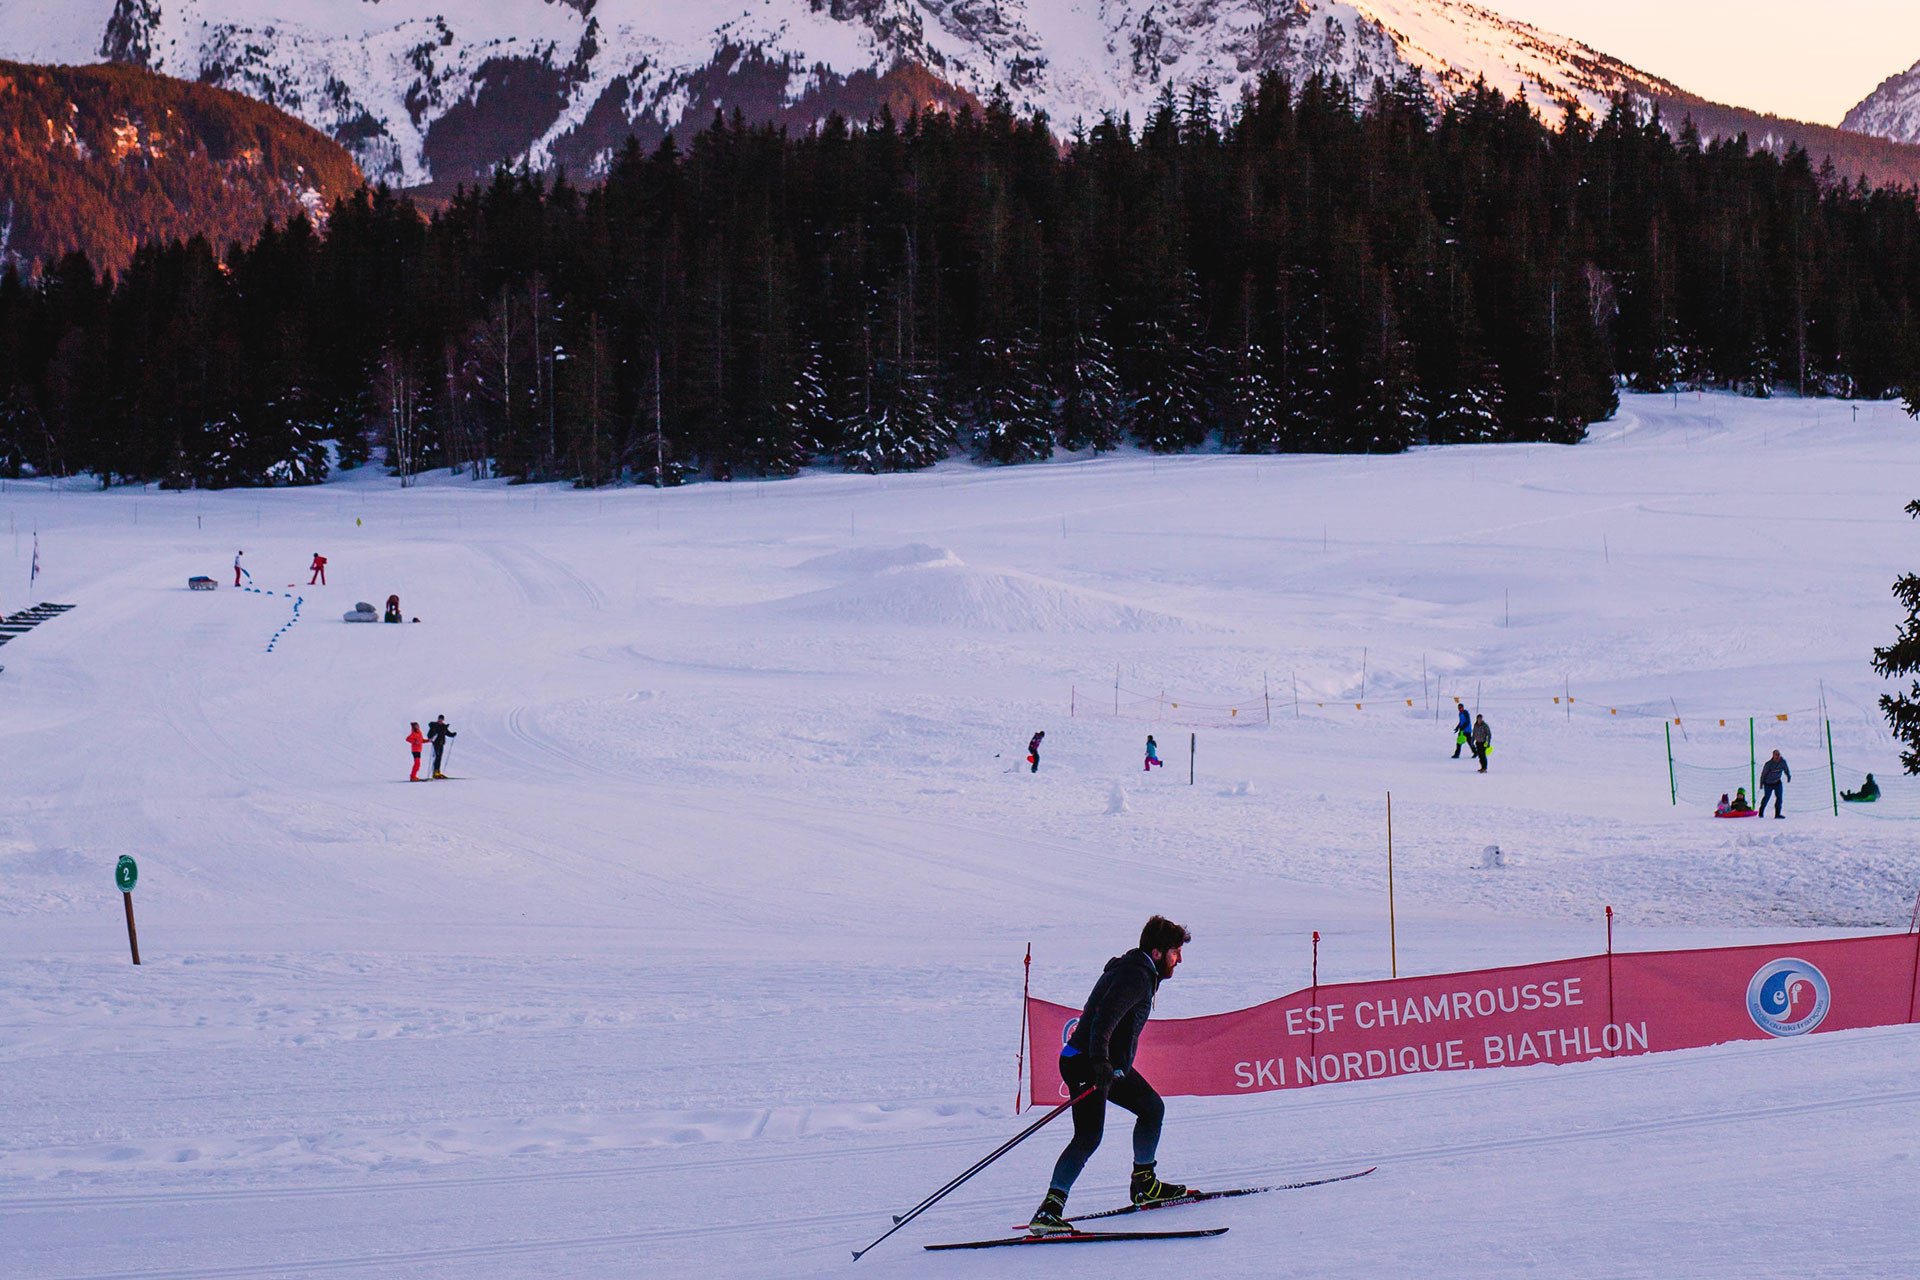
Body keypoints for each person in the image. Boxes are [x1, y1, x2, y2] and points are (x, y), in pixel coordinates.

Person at [1028, 916, 1193, 1235]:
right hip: (1086, 1062)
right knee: (1088, 1136)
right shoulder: (1135, 975)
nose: (1180, 959)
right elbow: (1104, 1020)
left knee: (1151, 1108)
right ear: (1157, 953)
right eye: (1175, 951)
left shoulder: (1138, 971)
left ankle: (1145, 1184)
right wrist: (1101, 1063)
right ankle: (1049, 1211)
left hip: (1102, 1063)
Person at [1759, 749, 1790, 818]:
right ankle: (1761, 812)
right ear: (1773, 756)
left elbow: (1786, 769)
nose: (1777, 757)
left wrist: (1788, 776)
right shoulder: (1768, 764)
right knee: (1766, 797)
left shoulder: (1783, 762)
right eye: (1776, 755)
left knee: (1779, 798)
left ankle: (1777, 814)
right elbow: (1763, 774)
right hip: (1768, 784)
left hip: (1777, 783)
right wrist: (1761, 784)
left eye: (1778, 755)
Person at [427, 714, 456, 779]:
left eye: (442, 719)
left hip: (441, 743)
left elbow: (447, 733)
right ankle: (435, 772)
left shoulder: (443, 727)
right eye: (440, 719)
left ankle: (438, 771)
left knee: (439, 757)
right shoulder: (434, 726)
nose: (440, 720)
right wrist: (431, 737)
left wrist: (453, 734)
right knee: (437, 756)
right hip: (436, 743)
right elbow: (429, 734)